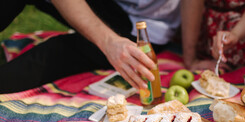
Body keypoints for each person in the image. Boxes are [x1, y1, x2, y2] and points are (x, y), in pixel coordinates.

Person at [0, 0, 181, 93]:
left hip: (143, 25)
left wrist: (190, 54)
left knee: (59, 54)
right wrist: (108, 41)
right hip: (111, 6)